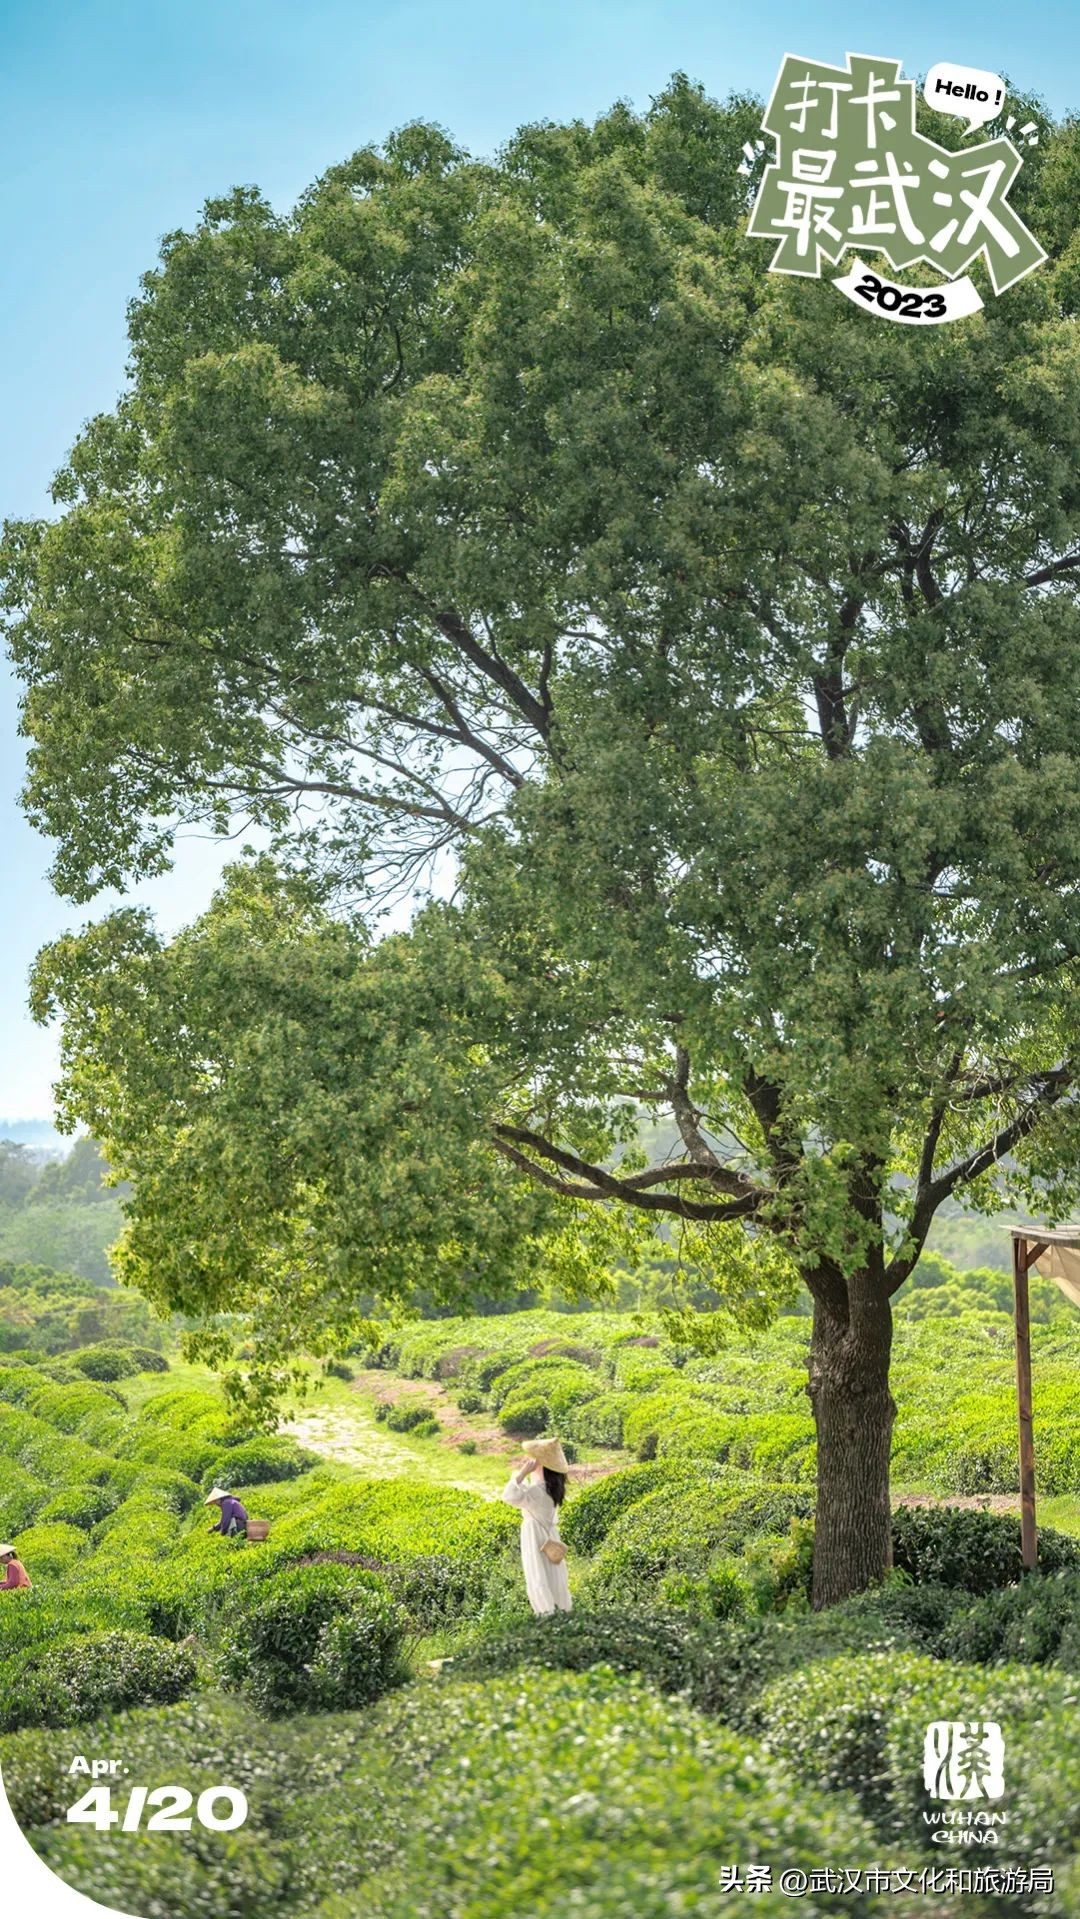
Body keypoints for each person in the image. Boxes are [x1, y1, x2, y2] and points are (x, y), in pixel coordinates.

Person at [500, 1436, 572, 1616]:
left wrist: (522, 1473)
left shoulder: (537, 1492)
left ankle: (546, 1613)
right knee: (552, 1574)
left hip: (536, 1537)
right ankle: (560, 1611)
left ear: (542, 1466)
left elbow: (509, 1496)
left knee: (538, 1574)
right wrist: (523, 1474)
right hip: (548, 1537)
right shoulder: (550, 1488)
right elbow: (525, 1492)